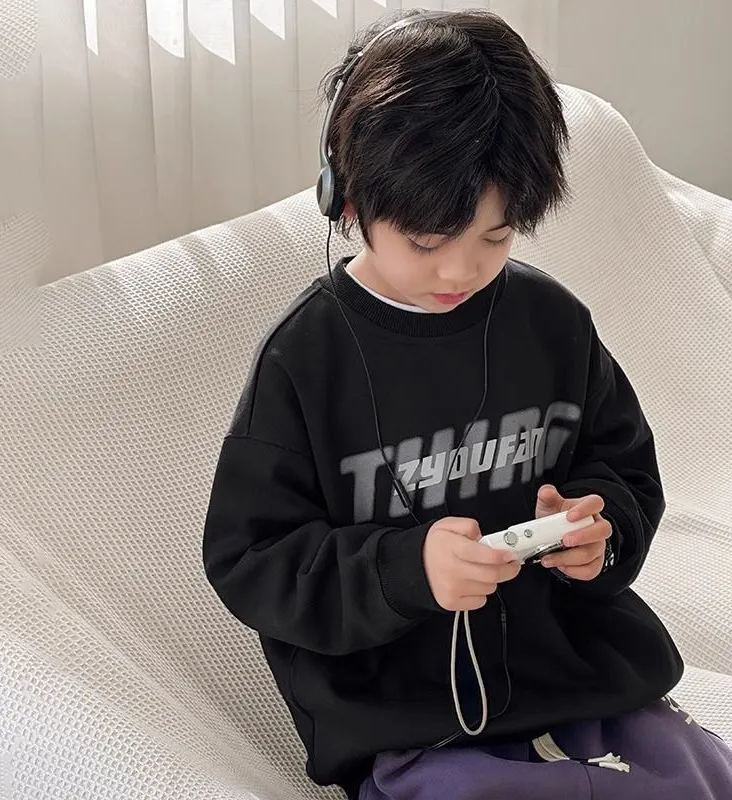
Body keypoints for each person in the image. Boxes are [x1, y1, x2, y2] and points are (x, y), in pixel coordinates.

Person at [203, 8, 732, 799]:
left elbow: (623, 467)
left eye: (496, 236)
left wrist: (600, 531)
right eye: (426, 241)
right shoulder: (306, 360)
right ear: (345, 198)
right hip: (411, 716)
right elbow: (252, 560)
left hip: (584, 677)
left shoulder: (551, 323)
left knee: (696, 778)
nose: (459, 270)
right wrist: (405, 570)